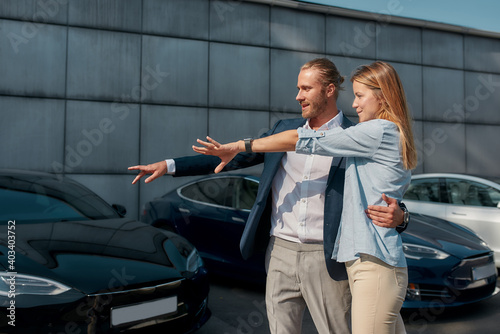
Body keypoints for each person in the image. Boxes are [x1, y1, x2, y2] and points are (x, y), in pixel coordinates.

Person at [129, 58, 407, 334]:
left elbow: (380, 186)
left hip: (327, 257)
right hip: (280, 253)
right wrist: (169, 165)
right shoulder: (281, 131)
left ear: (329, 90)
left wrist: (401, 216)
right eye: (299, 88)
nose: (298, 96)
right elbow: (228, 157)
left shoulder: (357, 134)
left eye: (306, 89)